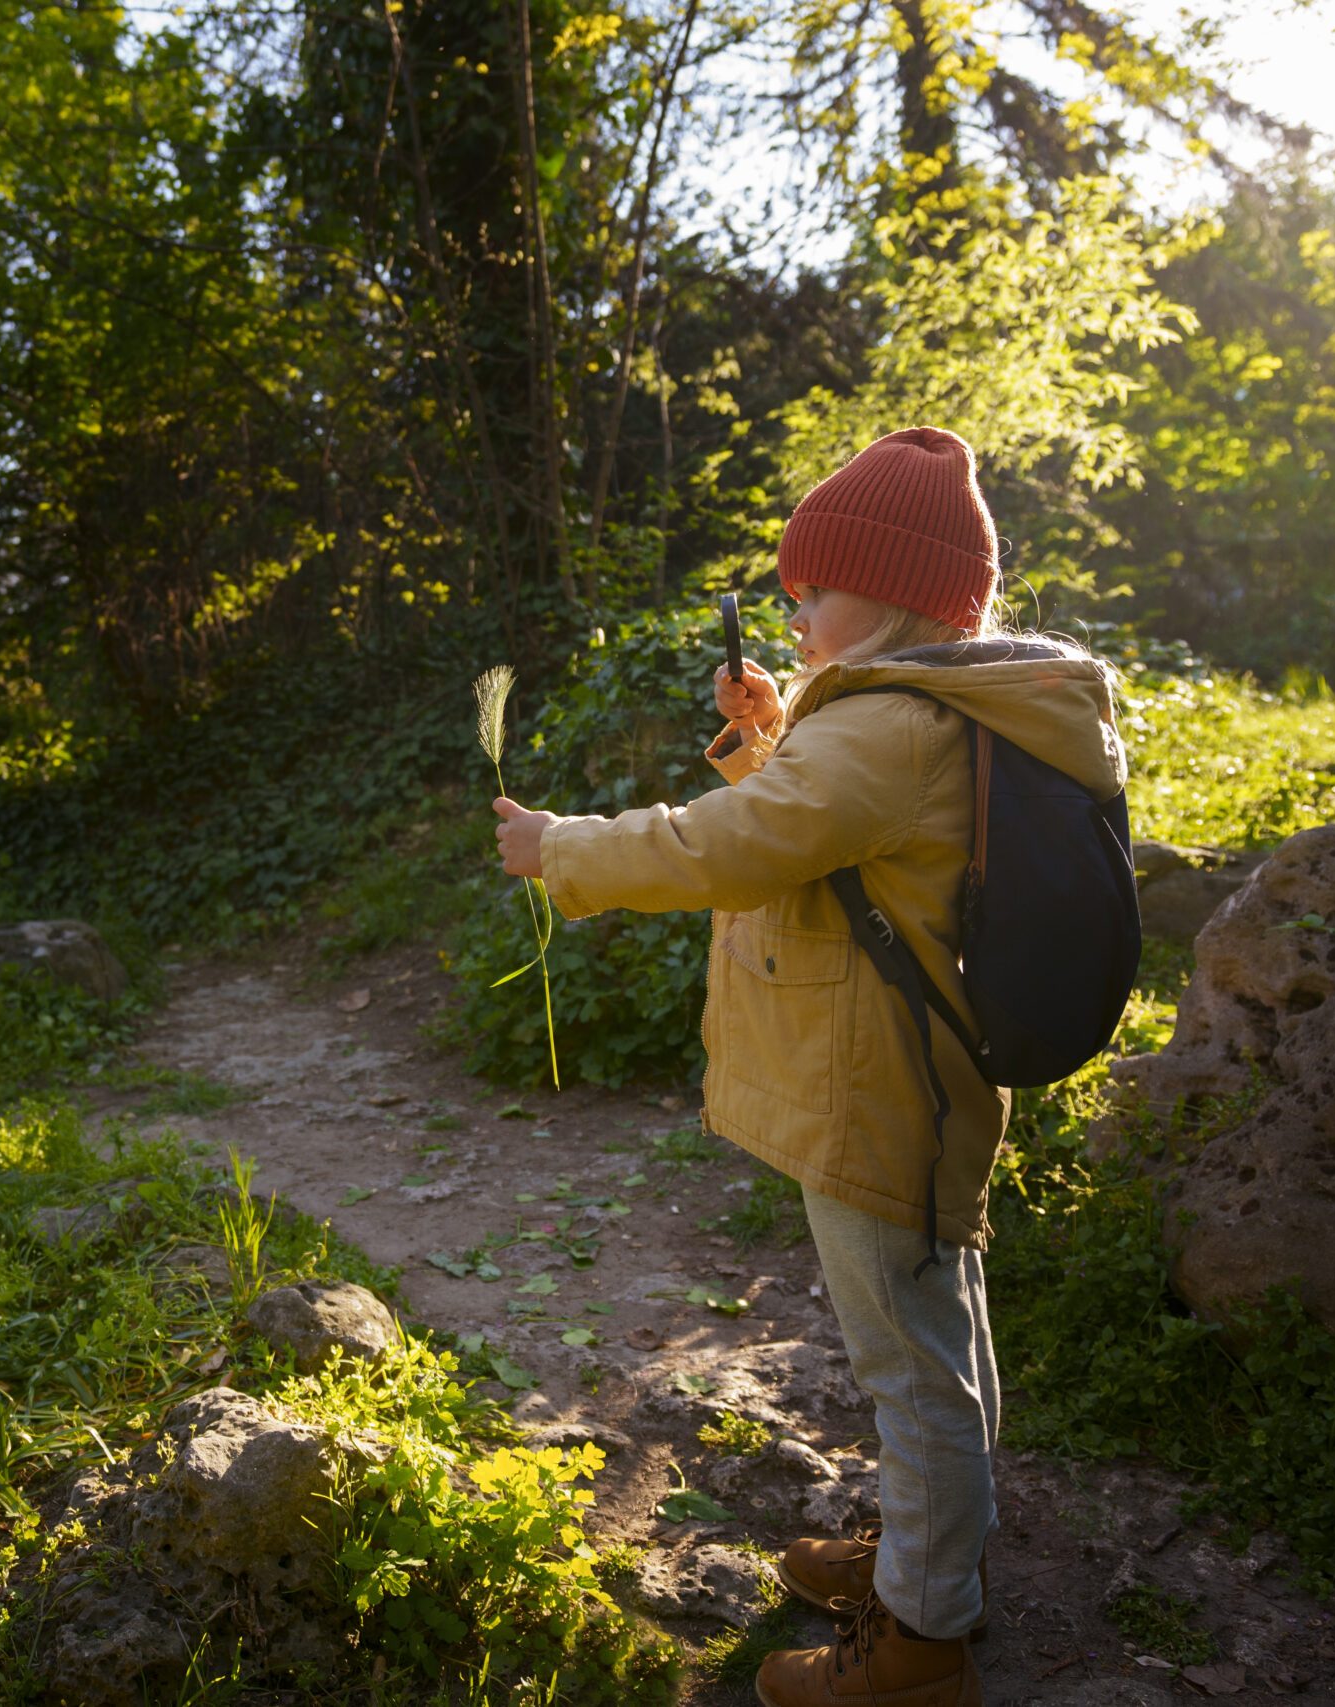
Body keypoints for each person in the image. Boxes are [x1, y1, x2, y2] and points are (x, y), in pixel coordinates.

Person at [492, 426, 1126, 1707]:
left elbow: (734, 848)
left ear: (887, 598)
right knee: (937, 1330)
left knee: (908, 1357)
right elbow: (825, 826)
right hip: (918, 1075)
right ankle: (928, 1551)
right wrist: (768, 731)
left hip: (875, 1088)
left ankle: (921, 1641)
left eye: (813, 589)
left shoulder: (892, 728)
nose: (791, 606)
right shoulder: (932, 712)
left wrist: (564, 847)